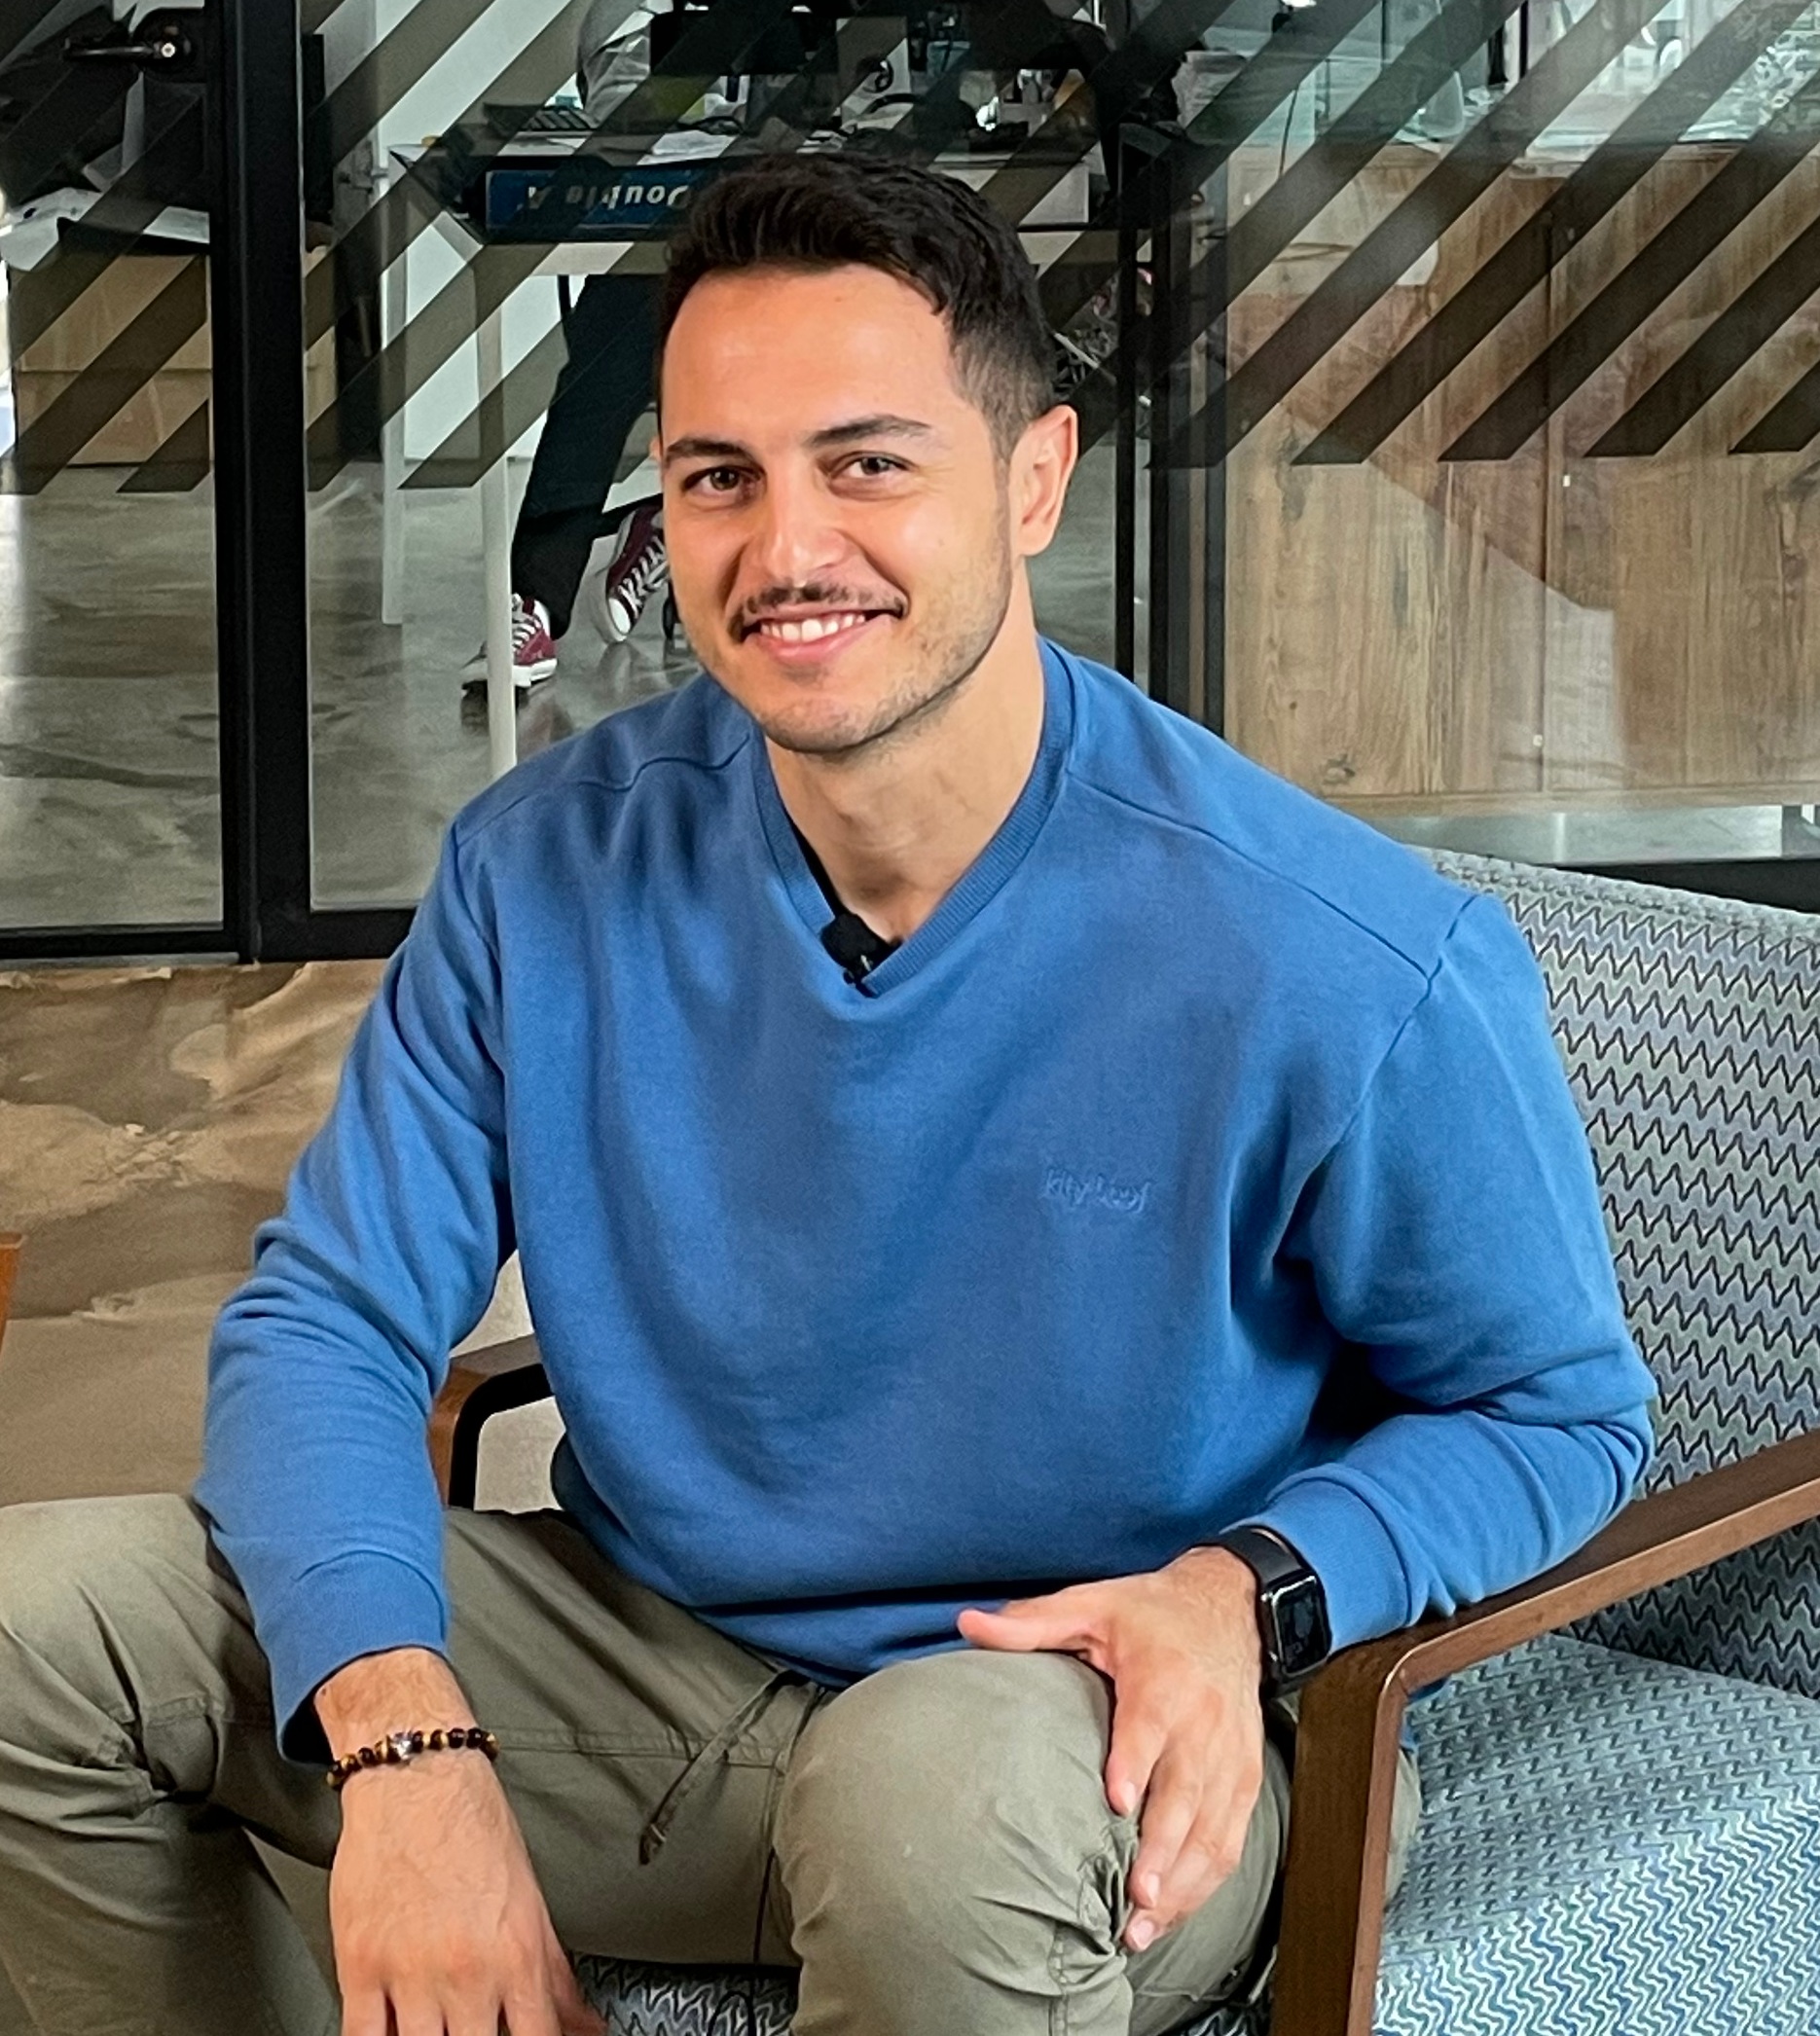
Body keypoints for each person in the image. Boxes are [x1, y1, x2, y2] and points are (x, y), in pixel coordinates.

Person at [0, 155, 1656, 2036]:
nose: (786, 547)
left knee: (928, 1816)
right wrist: (400, 1735)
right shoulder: (542, 870)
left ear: (1033, 479)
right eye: (720, 476)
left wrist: (1252, 1589)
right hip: (656, 1668)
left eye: (868, 463)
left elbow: (1555, 1406)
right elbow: (328, 1320)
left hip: (1094, 1713)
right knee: (32, 1637)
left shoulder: (1337, 952)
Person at [481, 0, 671, 693]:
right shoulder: (632, 19)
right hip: (669, 210)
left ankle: (677, 516)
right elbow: (626, 114)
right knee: (617, 338)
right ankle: (534, 601)